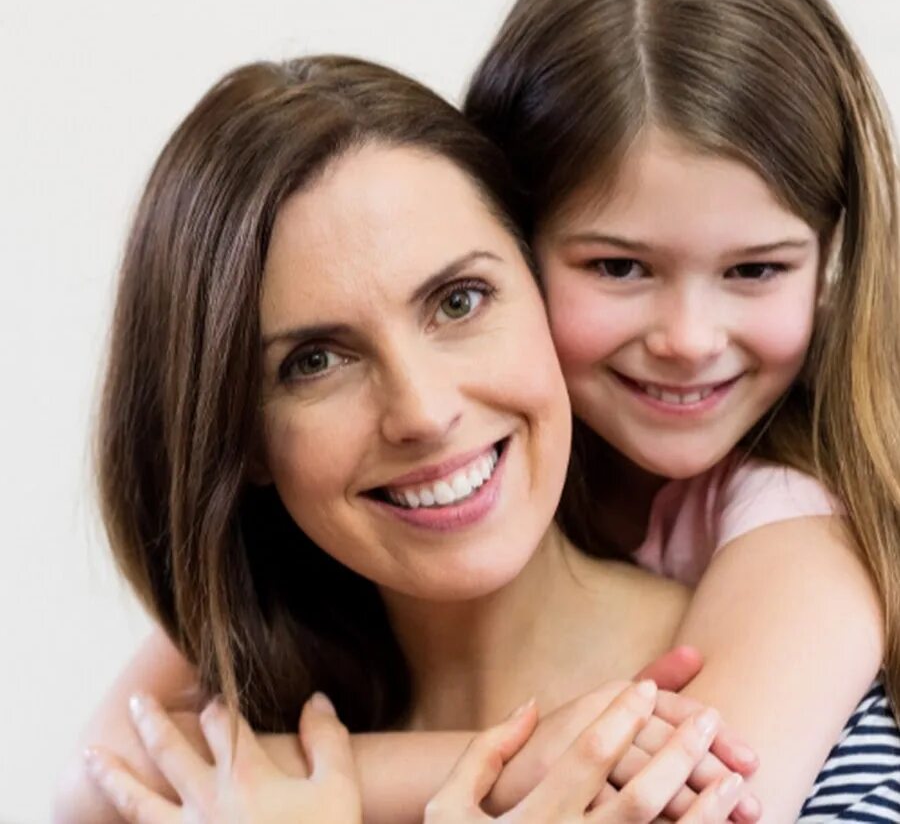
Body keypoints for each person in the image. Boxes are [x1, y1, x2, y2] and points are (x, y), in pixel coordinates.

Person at [55, 56, 757, 823]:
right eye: (314, 362)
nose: (422, 411)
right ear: (242, 438)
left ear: (547, 295)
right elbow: (91, 782)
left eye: (459, 301)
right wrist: (502, 763)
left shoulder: (760, 697)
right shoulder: (223, 793)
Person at [462, 0, 900, 821]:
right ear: (509, 240)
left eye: (756, 271)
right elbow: (114, 764)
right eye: (620, 268)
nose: (691, 340)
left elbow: (693, 804)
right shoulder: (457, 468)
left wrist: (328, 787)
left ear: (830, 260)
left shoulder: (803, 499)